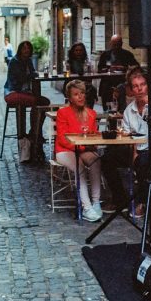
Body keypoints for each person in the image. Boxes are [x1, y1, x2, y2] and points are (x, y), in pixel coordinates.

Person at [101, 67, 151, 216]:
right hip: (136, 148)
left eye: (142, 85)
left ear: (148, 86)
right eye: (136, 86)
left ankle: (145, 203)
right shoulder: (128, 111)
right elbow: (126, 136)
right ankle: (120, 200)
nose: (140, 89)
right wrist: (133, 151)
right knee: (107, 158)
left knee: (143, 162)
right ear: (131, 90)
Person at [54, 80, 102, 221]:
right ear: (69, 98)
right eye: (76, 94)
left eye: (82, 93)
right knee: (79, 166)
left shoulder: (91, 113)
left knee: (95, 161)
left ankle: (96, 202)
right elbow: (63, 139)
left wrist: (94, 143)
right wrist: (82, 147)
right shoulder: (63, 113)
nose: (80, 97)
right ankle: (86, 207)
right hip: (64, 150)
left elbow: (93, 135)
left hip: (83, 149)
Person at [4, 40, 51, 157]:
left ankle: (34, 132)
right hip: (12, 92)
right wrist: (32, 75)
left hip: (24, 92)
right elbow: (21, 78)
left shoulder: (28, 61)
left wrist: (33, 75)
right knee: (35, 101)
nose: (26, 50)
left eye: (28, 48)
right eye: (24, 48)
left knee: (45, 102)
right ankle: (31, 136)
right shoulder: (14, 62)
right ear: (20, 50)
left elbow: (32, 74)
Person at [97, 34, 139, 107]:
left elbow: (136, 67)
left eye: (118, 44)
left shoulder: (127, 54)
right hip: (108, 80)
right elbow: (99, 69)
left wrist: (125, 69)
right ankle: (106, 108)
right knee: (106, 88)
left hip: (122, 80)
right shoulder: (105, 54)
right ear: (111, 44)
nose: (116, 47)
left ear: (121, 44)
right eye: (114, 45)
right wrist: (108, 69)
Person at [67, 42, 98, 109]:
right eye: (76, 50)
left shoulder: (86, 62)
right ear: (73, 52)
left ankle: (88, 110)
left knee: (90, 89)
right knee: (88, 89)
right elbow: (68, 75)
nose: (78, 52)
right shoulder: (69, 63)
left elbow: (90, 74)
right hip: (72, 84)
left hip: (85, 85)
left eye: (80, 50)